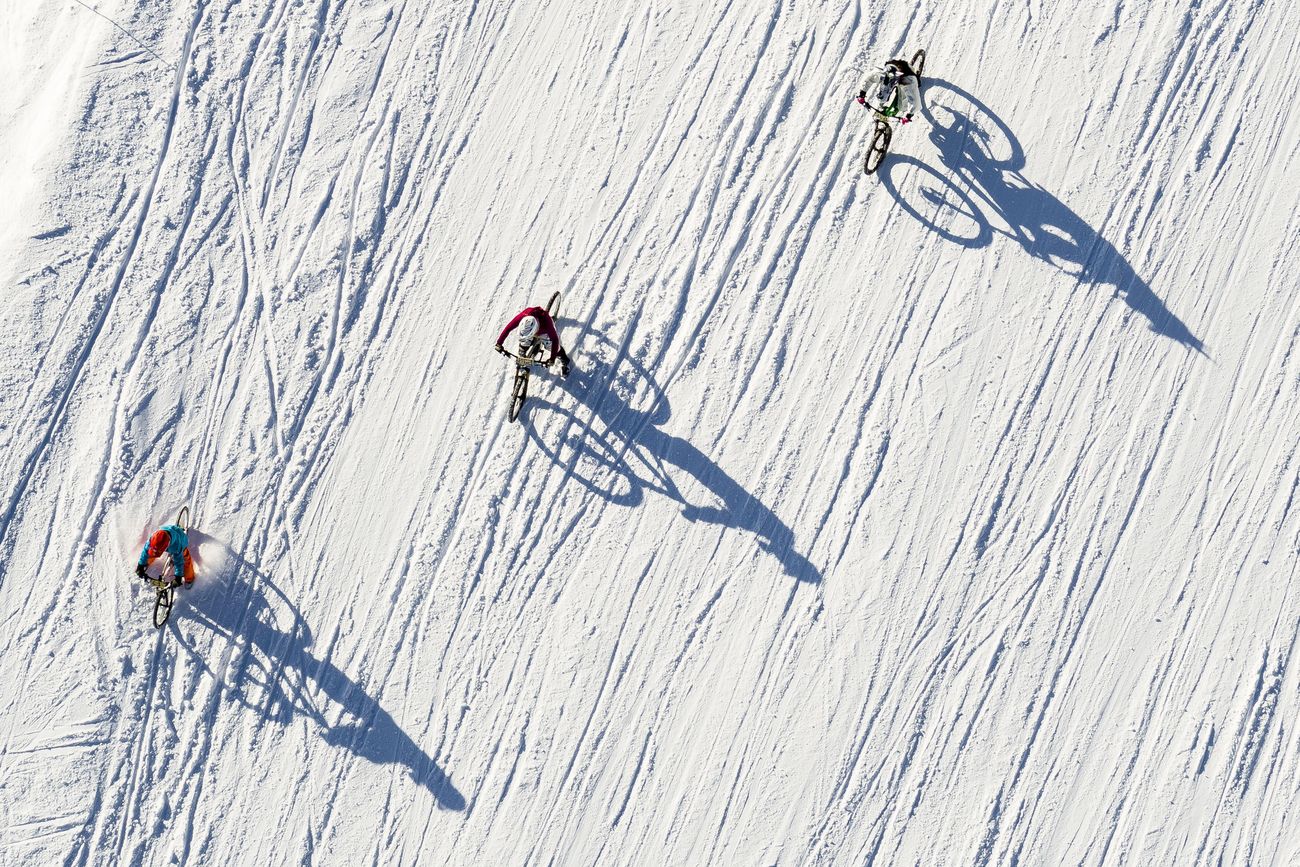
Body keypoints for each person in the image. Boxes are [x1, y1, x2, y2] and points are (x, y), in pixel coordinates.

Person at [495, 305, 570, 377]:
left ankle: (564, 360)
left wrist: (552, 358)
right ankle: (523, 350)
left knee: (553, 347)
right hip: (534, 329)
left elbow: (555, 340)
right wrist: (499, 343)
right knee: (524, 341)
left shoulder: (547, 323)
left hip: (543, 331)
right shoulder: (524, 316)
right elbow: (508, 328)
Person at [857, 59, 921, 124]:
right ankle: (883, 105)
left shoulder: (908, 80)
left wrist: (909, 114)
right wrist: (862, 93)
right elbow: (868, 79)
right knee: (882, 97)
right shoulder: (881, 74)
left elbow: (915, 102)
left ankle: (914, 74)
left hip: (904, 76)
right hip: (892, 71)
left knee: (902, 105)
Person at [135, 523, 194, 588]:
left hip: (181, 539)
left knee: (185, 558)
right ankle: (146, 563)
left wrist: (178, 576)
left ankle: (189, 578)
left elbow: (179, 562)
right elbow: (146, 550)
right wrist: (140, 564)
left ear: (166, 547)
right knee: (151, 552)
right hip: (168, 534)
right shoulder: (154, 538)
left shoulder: (177, 546)